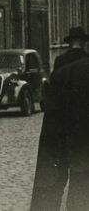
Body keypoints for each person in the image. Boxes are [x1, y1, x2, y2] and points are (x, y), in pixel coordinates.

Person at [31, 26, 89, 211]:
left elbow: (54, 95)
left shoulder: (60, 62)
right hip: (82, 124)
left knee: (60, 173)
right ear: (84, 43)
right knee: (81, 177)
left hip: (63, 124)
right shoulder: (85, 61)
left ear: (70, 42)